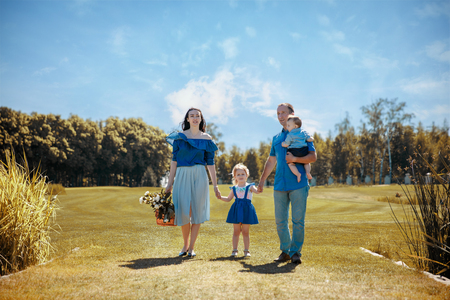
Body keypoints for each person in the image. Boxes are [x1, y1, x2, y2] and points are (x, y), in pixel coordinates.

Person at [257, 103, 316, 264]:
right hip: (279, 185)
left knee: (298, 220)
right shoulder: (276, 138)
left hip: (298, 184)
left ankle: (295, 252)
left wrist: (295, 159)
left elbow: (312, 157)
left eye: (284, 113)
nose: (281, 116)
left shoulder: (303, 134)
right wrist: (262, 181)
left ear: (292, 114)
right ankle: (286, 251)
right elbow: (271, 161)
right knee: (280, 221)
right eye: (278, 114)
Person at [165, 107, 221, 258]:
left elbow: (210, 163)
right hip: (182, 174)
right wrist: (169, 183)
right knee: (183, 210)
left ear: (201, 119)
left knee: (197, 211)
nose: (195, 118)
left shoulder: (207, 139)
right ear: (187, 119)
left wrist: (215, 185)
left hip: (200, 174)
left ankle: (191, 248)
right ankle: (185, 244)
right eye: (192, 116)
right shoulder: (179, 137)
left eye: (198, 116)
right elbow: (174, 162)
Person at [219, 163, 260, 257]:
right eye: (238, 174)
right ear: (235, 177)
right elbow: (228, 199)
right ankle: (234, 250)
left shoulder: (250, 186)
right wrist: (220, 197)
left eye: (243, 174)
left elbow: (257, 191)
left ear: (246, 175)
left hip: (247, 210)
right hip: (236, 210)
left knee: (245, 231)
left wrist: (260, 188)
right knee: (236, 231)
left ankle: (246, 250)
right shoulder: (234, 188)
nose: (241, 176)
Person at [281, 115, 314, 182]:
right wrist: (312, 138)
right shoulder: (304, 132)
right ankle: (308, 172)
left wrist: (283, 144)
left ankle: (298, 174)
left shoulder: (290, 135)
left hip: (294, 151)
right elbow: (310, 139)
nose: (287, 127)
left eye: (289, 125)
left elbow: (287, 144)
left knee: (290, 164)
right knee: (307, 163)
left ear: (295, 126)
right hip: (303, 150)